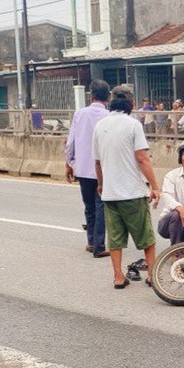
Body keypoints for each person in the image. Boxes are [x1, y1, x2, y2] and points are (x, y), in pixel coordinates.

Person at [92, 86, 161, 289]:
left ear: (111, 102)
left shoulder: (100, 126)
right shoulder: (133, 125)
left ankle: (118, 277)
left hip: (110, 195)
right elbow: (142, 158)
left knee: (115, 239)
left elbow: (97, 162)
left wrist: (101, 184)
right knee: (146, 237)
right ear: (132, 104)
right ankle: (151, 275)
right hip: (133, 192)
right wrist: (155, 186)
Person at [64, 80, 111, 258]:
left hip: (82, 169)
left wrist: (69, 163)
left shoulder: (79, 114)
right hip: (102, 169)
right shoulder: (108, 116)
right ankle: (99, 245)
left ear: (90, 95)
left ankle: (91, 241)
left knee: (89, 206)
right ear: (108, 97)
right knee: (101, 206)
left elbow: (71, 142)